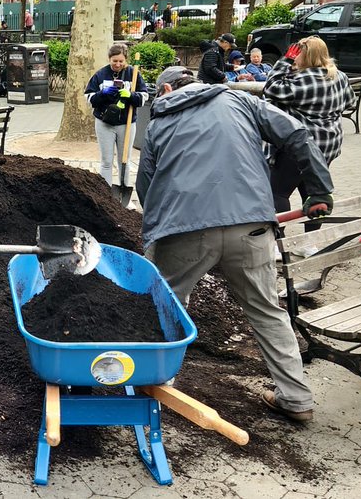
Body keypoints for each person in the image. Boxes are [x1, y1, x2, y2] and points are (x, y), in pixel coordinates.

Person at [137, 66, 335, 423]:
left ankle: (159, 382)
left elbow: (146, 187)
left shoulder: (157, 124)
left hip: (186, 228)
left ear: (165, 89)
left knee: (167, 301)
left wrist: (153, 237)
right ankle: (296, 398)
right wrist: (318, 189)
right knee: (266, 310)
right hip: (252, 225)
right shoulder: (241, 100)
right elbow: (297, 134)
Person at [263, 37, 353, 241]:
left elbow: (271, 88)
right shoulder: (339, 76)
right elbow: (349, 102)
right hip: (327, 145)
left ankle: (280, 243)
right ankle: (310, 243)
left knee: (278, 193)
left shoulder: (302, 80)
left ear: (304, 55)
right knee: (313, 192)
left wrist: (285, 61)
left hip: (298, 146)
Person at [84, 43, 149, 187]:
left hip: (126, 124)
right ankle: (106, 193)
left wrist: (131, 95)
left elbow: (144, 97)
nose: (118, 64)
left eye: (121, 61)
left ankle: (124, 190)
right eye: (114, 61)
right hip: (104, 122)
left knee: (124, 159)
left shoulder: (133, 74)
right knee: (106, 161)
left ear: (126, 60)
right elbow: (89, 98)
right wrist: (103, 94)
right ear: (109, 59)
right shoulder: (100, 75)